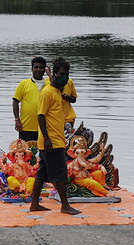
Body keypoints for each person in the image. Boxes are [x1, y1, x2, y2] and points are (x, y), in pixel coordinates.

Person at [29, 59, 81, 215]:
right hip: (51, 141)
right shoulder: (46, 93)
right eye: (61, 74)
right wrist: (46, 138)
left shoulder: (58, 92)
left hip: (55, 139)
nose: (64, 77)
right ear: (55, 75)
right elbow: (40, 116)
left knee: (42, 173)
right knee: (61, 173)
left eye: (66, 74)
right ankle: (65, 205)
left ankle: (34, 204)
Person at [12, 56, 48, 142]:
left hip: (45, 128)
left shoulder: (49, 84)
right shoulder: (23, 84)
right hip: (26, 127)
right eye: (36, 67)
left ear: (44, 70)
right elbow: (15, 102)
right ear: (32, 69)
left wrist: (50, 74)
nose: (38, 70)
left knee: (44, 154)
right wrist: (17, 120)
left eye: (41, 67)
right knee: (24, 154)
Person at [46, 57, 78, 131]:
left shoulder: (69, 81)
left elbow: (74, 99)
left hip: (67, 118)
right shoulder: (47, 82)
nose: (63, 76)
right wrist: (50, 76)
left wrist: (67, 97)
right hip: (54, 120)